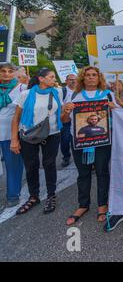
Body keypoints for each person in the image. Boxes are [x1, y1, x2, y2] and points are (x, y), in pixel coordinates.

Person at [61, 66, 123, 231]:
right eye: (88, 75)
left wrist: (114, 107)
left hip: (102, 141)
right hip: (80, 142)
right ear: (83, 77)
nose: (91, 77)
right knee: (83, 173)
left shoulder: (107, 94)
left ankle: (102, 204)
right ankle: (83, 205)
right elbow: (64, 119)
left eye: (94, 75)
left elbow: (121, 115)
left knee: (103, 172)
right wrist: (66, 111)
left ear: (99, 78)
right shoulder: (74, 95)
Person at [11, 68, 64, 215]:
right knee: (31, 165)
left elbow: (62, 114)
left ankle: (51, 195)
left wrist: (66, 111)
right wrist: (14, 140)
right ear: (41, 79)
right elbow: (16, 118)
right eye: (52, 77)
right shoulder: (25, 94)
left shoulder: (58, 92)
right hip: (29, 135)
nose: (55, 79)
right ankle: (33, 196)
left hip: (52, 133)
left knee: (49, 164)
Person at [0, 63, 25, 209]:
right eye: (3, 71)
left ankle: (13, 195)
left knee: (13, 166)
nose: (6, 74)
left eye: (10, 71)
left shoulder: (22, 89)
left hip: (11, 135)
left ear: (15, 73)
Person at [60, 74, 77, 168]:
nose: (73, 81)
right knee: (65, 140)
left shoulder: (80, 90)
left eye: (75, 80)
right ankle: (66, 157)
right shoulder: (61, 91)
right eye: (71, 80)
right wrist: (66, 107)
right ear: (66, 81)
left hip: (77, 119)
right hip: (66, 119)